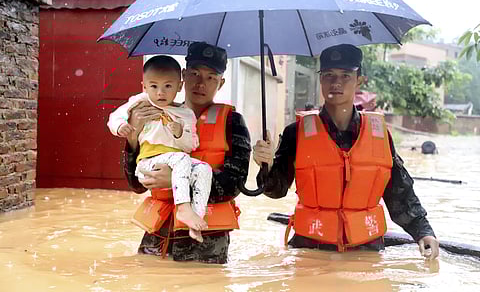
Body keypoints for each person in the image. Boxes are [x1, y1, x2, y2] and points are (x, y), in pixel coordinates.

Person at [253, 44, 440, 260]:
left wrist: (423, 232)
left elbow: (400, 192)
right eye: (329, 75)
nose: (336, 83)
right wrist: (265, 165)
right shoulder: (297, 133)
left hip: (366, 250)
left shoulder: (379, 135)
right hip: (310, 251)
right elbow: (275, 190)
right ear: (320, 79)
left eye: (346, 75)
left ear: (359, 80)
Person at [122, 42, 251, 264]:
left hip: (206, 242)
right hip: (158, 236)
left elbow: (234, 183)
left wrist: (176, 179)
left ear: (221, 83)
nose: (201, 83)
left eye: (211, 77)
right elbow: (135, 184)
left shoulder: (232, 122)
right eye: (194, 74)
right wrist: (132, 139)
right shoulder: (155, 113)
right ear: (183, 76)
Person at [108, 55, 211, 243]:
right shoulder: (139, 103)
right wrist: (122, 126)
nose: (160, 93)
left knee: (204, 169)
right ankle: (183, 207)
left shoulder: (185, 115)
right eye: (154, 86)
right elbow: (115, 117)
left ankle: (195, 219)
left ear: (179, 86)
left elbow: (191, 145)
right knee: (182, 159)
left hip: (177, 162)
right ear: (144, 86)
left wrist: (180, 133)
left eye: (168, 86)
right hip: (148, 163)